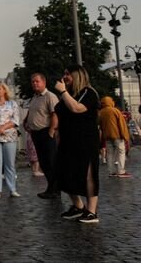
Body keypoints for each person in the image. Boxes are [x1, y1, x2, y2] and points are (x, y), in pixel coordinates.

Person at [54, 65, 101, 223]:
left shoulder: (88, 93)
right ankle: (78, 206)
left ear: (77, 75)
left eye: (68, 74)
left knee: (88, 174)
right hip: (68, 140)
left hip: (85, 140)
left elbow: (77, 108)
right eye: (64, 73)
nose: (65, 76)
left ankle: (92, 211)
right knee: (64, 173)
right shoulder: (70, 94)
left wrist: (63, 92)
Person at [24, 73, 60, 197]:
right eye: (33, 81)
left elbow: (55, 114)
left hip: (46, 133)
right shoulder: (34, 97)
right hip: (36, 133)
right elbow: (32, 112)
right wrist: (26, 121)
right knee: (44, 163)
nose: (34, 83)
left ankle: (55, 190)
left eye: (37, 81)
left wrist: (51, 131)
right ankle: (51, 188)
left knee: (51, 162)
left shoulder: (50, 96)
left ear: (43, 82)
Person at [99, 95, 130, 178]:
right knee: (121, 152)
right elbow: (122, 124)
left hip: (107, 136)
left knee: (110, 154)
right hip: (117, 136)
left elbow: (100, 125)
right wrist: (125, 136)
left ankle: (111, 172)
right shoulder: (115, 111)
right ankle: (121, 171)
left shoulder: (101, 112)